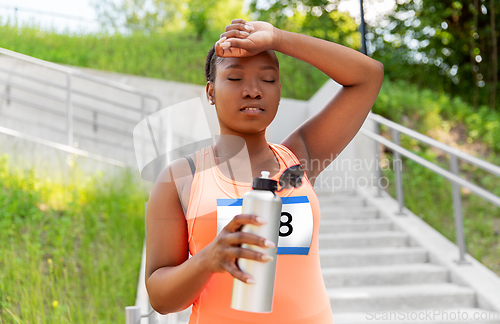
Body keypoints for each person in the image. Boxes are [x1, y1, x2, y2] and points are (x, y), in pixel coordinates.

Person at [145, 18, 384, 323]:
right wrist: (208, 259)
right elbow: (161, 299)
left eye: (268, 80)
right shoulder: (181, 178)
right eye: (234, 79)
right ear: (210, 91)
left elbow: (368, 76)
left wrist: (277, 38)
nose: (253, 91)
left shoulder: (299, 161)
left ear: (279, 91)